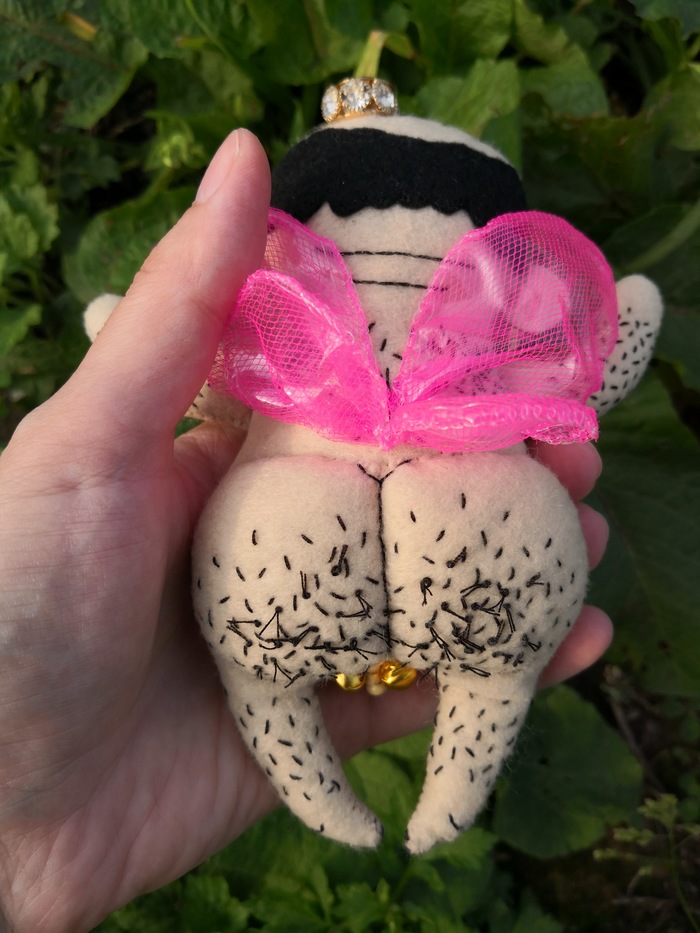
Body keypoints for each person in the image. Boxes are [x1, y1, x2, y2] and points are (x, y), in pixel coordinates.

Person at [0, 130, 612, 933]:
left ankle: (379, 747)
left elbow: (215, 378)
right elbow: (586, 364)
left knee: (296, 658)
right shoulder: (308, 340)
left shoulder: (284, 348)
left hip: (284, 535)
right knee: (498, 650)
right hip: (478, 532)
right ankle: (398, 746)